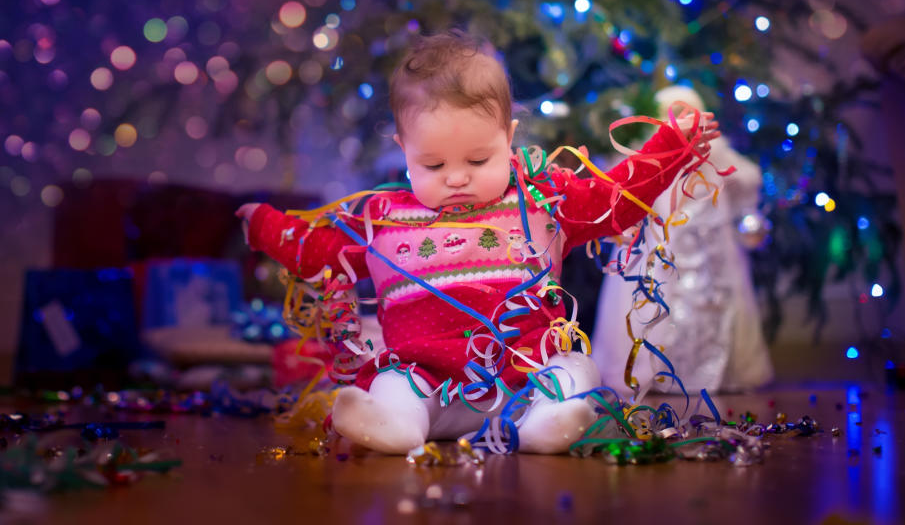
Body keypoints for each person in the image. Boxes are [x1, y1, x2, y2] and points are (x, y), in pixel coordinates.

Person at [236, 32, 719, 454]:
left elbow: (615, 201)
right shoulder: (381, 219)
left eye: (479, 158)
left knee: (574, 368)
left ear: (508, 139)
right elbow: (319, 254)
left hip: (526, 380)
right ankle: (395, 424)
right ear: (404, 152)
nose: (457, 178)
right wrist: (264, 225)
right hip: (428, 385)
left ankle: (550, 424)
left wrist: (672, 148)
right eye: (434, 165)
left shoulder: (543, 200)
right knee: (391, 383)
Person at [592, 85, 773, 399]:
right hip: (657, 249)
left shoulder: (716, 154)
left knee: (712, 308)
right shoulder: (647, 156)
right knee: (650, 305)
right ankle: (647, 371)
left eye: (689, 114)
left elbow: (748, 178)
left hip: (708, 251)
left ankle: (715, 370)